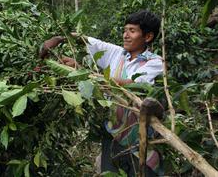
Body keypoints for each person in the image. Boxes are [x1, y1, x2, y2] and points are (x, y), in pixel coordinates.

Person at [40, 10, 163, 176]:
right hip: (112, 133)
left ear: (147, 37)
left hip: (140, 137)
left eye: (132, 31)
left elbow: (133, 85)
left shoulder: (155, 62)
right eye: (125, 30)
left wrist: (81, 71)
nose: (125, 35)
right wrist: (58, 39)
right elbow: (87, 40)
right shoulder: (117, 53)